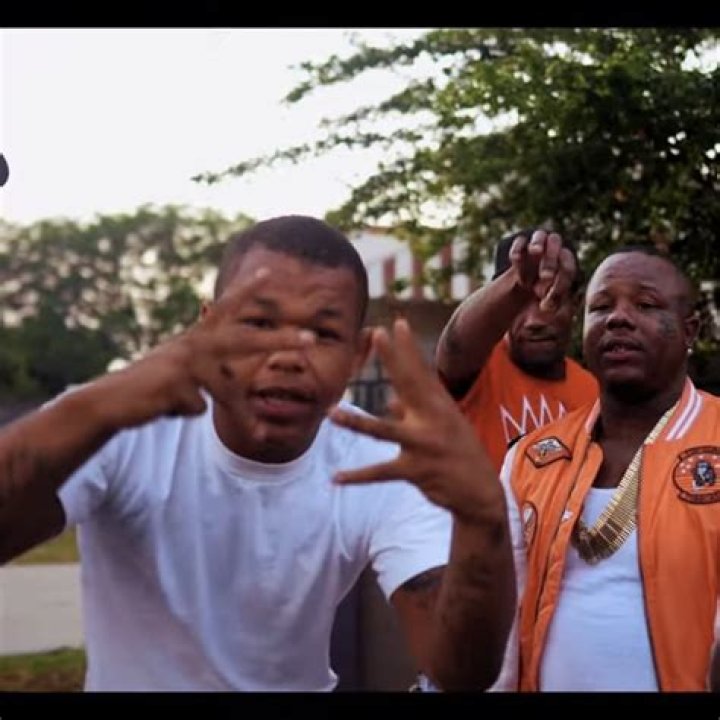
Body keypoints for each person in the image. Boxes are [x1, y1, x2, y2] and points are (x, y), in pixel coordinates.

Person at [0, 215, 515, 692]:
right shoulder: (119, 424)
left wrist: (483, 521)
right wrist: (89, 409)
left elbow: (458, 673)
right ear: (207, 328)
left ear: (357, 356)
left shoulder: (381, 463)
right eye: (259, 324)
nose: (288, 355)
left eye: (323, 333)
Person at [494, 244, 720, 691]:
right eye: (601, 307)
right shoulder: (529, 459)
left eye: (646, 305)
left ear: (689, 330)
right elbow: (502, 627)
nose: (618, 318)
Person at [436, 229, 598, 473]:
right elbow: (455, 345)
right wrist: (516, 281)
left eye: (550, 300)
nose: (534, 321)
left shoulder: (593, 394)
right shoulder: (479, 370)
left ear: (575, 303)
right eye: (520, 304)